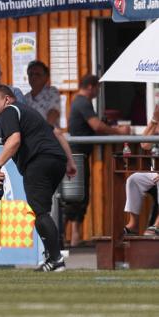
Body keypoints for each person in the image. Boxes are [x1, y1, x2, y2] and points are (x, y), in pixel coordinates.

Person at [0, 85, 77, 272]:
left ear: (7, 99)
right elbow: (56, 132)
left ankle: (56, 260)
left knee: (40, 212)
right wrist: (70, 161)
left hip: (39, 161)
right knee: (41, 211)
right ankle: (51, 258)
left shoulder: (9, 111)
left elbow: (14, 140)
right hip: (57, 160)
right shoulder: (28, 111)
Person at [64, 74, 131, 246]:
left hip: (79, 154)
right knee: (74, 196)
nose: (98, 92)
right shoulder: (83, 102)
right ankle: (61, 237)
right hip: (76, 154)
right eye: (97, 88)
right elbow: (96, 125)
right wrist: (119, 132)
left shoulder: (80, 102)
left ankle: (74, 237)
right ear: (90, 87)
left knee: (80, 196)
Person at [122, 104, 159, 236]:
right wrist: (154, 120)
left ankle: (157, 225)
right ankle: (133, 224)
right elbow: (145, 144)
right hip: (155, 172)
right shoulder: (157, 126)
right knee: (134, 179)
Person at [23, 60, 61, 127]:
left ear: (46, 77)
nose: (33, 77)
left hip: (47, 131)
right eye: (31, 74)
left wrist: (46, 128)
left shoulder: (52, 92)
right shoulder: (26, 98)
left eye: (38, 74)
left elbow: (53, 112)